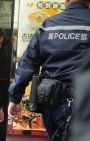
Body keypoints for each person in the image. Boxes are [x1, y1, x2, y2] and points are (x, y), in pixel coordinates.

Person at [7, 0, 90, 140]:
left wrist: (15, 98)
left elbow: (27, 64)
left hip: (52, 102)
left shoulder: (48, 25)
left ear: (66, 0)